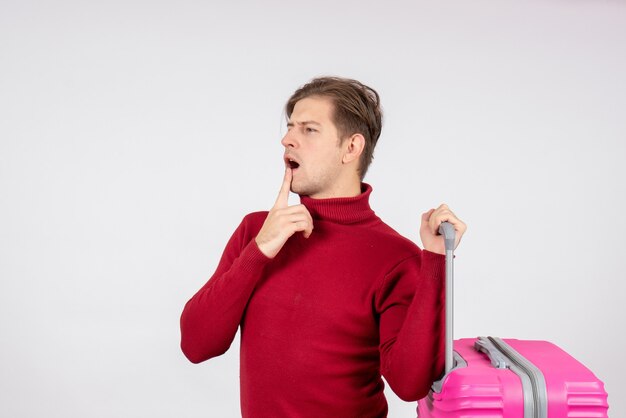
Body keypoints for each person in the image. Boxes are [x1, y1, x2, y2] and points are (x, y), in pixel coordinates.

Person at [180, 76, 467, 418]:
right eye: (290, 128)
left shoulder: (396, 257)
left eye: (309, 130)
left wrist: (435, 260)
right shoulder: (257, 232)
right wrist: (258, 252)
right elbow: (196, 345)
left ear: (351, 148)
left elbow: (409, 384)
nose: (287, 139)